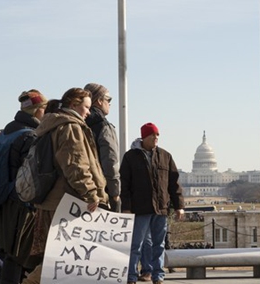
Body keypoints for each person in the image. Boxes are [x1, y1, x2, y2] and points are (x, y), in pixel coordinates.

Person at [22, 87, 108, 284]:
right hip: (67, 201)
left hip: (53, 201)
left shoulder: (51, 125)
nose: (88, 112)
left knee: (62, 256)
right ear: (73, 104)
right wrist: (91, 194)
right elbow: (76, 166)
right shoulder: (70, 127)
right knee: (67, 257)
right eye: (86, 107)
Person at [0, 90, 47, 284]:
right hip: (21, 204)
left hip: (4, 200)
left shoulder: (9, 130)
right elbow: (30, 175)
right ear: (37, 110)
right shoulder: (30, 135)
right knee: (18, 255)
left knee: (10, 253)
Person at [121, 123, 185, 284]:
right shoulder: (130, 157)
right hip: (139, 208)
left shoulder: (165, 156)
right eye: (152, 135)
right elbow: (125, 184)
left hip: (161, 208)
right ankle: (131, 276)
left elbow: (174, 183)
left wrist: (179, 206)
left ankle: (158, 276)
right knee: (136, 244)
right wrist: (126, 207)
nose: (156, 138)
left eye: (157, 135)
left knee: (159, 245)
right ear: (144, 137)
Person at [84, 83, 121, 211]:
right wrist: (115, 192)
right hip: (102, 192)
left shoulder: (77, 124)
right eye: (108, 99)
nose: (110, 103)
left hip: (80, 189)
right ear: (99, 101)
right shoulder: (104, 126)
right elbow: (110, 162)